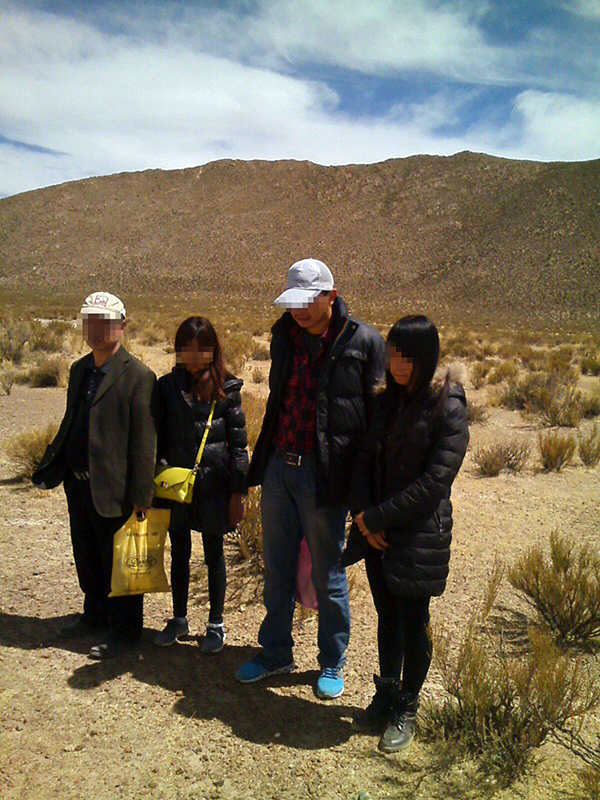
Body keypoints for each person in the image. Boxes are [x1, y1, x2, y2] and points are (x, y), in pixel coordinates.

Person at [236, 258, 385, 699]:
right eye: (293, 302)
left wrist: (363, 489)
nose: (298, 310)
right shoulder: (285, 335)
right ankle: (275, 651)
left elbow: (374, 420)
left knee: (328, 572)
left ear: (331, 297)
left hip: (325, 477)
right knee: (277, 567)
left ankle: (332, 660)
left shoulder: (364, 342)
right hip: (282, 466)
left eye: (307, 301)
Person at [342, 315, 469, 752]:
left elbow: (435, 482)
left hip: (417, 535)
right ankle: (386, 694)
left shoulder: (447, 405)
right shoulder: (382, 401)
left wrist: (376, 518)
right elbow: (362, 461)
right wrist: (361, 514)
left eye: (406, 355)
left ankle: (407, 707)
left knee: (414, 624)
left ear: (425, 356)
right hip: (375, 530)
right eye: (392, 352)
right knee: (387, 619)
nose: (397, 363)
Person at [32, 292, 157, 659]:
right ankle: (94, 615)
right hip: (79, 481)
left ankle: (126, 630)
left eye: (104, 322)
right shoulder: (79, 370)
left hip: (116, 488)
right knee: (87, 553)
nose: (96, 330)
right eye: (90, 322)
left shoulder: (138, 375)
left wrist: (141, 493)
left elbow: (143, 439)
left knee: (121, 562)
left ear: (121, 325)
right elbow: (74, 420)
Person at [154, 317, 248, 653]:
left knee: (213, 555)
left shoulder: (228, 389)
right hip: (176, 488)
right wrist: (158, 473)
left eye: (200, 349)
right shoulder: (166, 388)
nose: (192, 356)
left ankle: (216, 624)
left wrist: (239, 493)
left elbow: (239, 446)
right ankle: (179, 618)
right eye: (185, 349)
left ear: (212, 350)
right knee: (178, 553)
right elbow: (157, 436)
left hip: (214, 488)